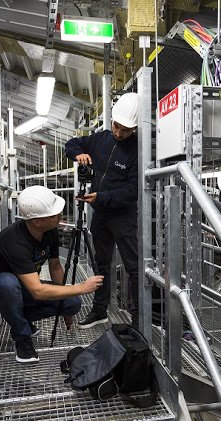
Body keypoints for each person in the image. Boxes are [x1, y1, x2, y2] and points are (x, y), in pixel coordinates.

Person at [0, 185, 104, 363]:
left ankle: (19, 318)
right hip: (0, 290)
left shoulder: (49, 232)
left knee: (72, 303)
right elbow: (38, 291)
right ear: (37, 221)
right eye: (55, 215)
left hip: (26, 287)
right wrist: (80, 287)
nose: (60, 217)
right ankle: (22, 337)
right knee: (7, 283)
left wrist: (64, 302)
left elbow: (55, 267)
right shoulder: (14, 240)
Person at [64, 92, 140, 329]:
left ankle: (139, 318)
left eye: (125, 130)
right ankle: (100, 311)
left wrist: (103, 197)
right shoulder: (100, 139)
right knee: (101, 264)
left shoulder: (137, 150)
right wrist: (79, 153)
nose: (118, 133)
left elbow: (133, 190)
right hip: (101, 216)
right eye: (117, 126)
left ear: (134, 129)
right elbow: (71, 143)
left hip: (122, 216)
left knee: (133, 267)